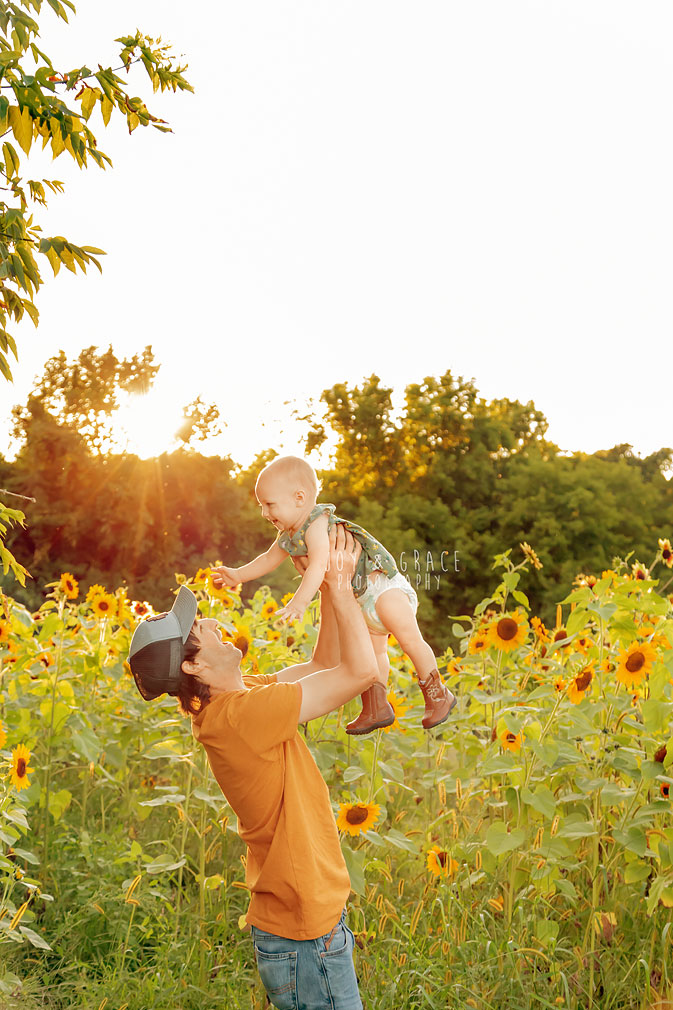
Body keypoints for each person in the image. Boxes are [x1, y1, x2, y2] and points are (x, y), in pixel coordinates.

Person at [128, 525, 379, 1010]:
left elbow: (324, 662)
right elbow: (360, 672)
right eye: (199, 629)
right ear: (193, 667)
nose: (213, 622)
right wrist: (344, 585)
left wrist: (325, 583)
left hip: (303, 924)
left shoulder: (234, 701)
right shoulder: (241, 717)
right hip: (305, 935)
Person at [211, 454, 456, 734]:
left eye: (269, 504)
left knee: (410, 641)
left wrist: (300, 602)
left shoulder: (316, 522)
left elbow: (318, 564)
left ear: (299, 498)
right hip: (359, 600)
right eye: (261, 506)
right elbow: (268, 559)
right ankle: (376, 707)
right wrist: (239, 575)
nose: (264, 513)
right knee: (374, 653)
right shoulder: (289, 535)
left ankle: (438, 694)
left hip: (382, 587)